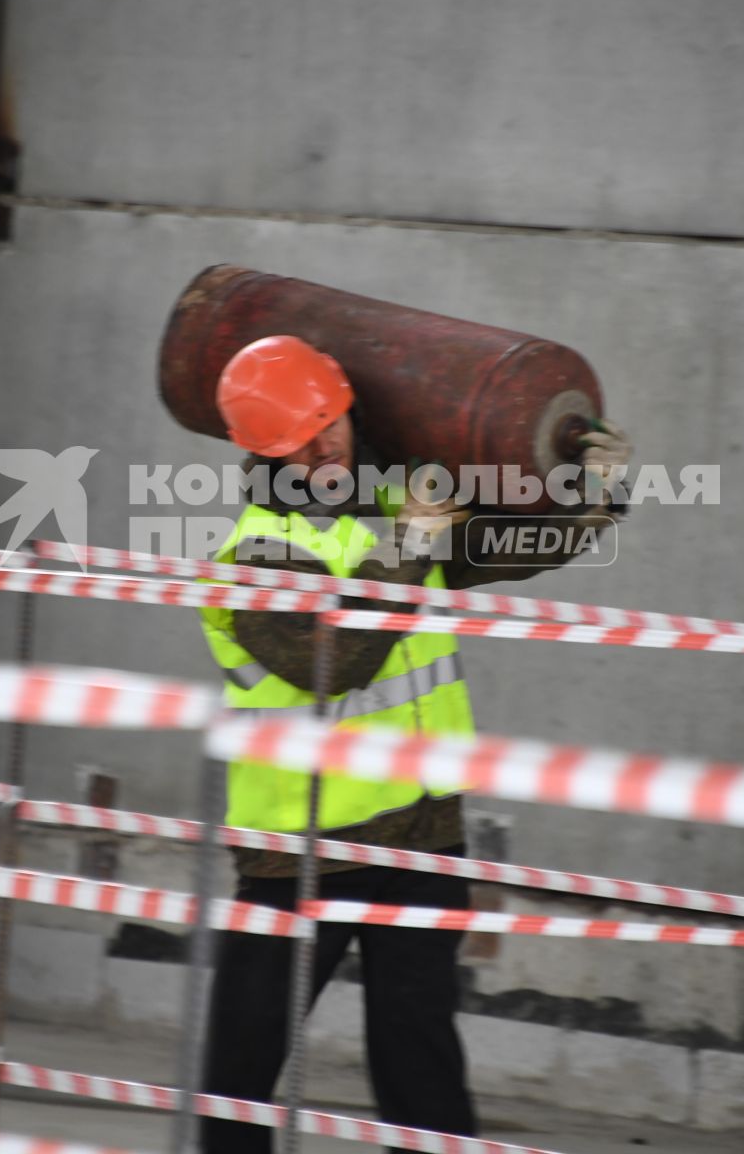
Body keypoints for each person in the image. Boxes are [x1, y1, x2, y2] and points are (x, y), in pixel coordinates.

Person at [192, 334, 632, 1151]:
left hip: (422, 840)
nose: (322, 451)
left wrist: (593, 496)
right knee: (239, 1074)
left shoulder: (395, 510)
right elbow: (336, 663)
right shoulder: (249, 555)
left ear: (350, 410)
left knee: (420, 1059)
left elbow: (515, 551)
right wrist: (411, 544)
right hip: (299, 850)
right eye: (296, 443)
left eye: (329, 427)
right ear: (259, 452)